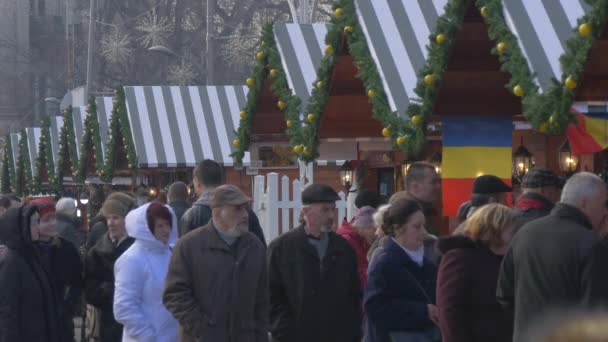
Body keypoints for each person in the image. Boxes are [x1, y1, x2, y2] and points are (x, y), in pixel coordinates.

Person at [497, 172, 608, 342]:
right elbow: (597, 314)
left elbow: (504, 294)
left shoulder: (525, 233)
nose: (605, 212)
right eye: (603, 205)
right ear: (583, 203)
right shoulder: (591, 245)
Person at [163, 185, 268, 341]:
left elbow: (263, 299)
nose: (245, 215)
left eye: (245, 208)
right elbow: (174, 295)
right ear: (217, 213)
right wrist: (203, 330)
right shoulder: (189, 246)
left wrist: (259, 334)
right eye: (237, 209)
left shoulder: (255, 247)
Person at [268, 184, 361, 342]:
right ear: (306, 212)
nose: (331, 215)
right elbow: (271, 296)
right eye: (325, 210)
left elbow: (353, 296)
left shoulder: (343, 248)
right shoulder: (282, 248)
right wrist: (284, 331)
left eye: (333, 209)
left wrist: (350, 331)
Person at [364, 197, 440, 342]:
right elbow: (375, 309)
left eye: (424, 225)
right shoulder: (384, 263)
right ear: (398, 229)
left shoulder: (428, 262)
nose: (424, 232)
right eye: (417, 227)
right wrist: (423, 311)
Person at [437, 204, 515, 342]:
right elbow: (449, 309)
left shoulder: (503, 260)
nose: (514, 236)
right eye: (510, 231)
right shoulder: (460, 257)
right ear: (495, 230)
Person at [114, 202, 178, 342]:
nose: (166, 230)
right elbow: (124, 307)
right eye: (160, 226)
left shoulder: (171, 253)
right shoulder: (132, 259)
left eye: (167, 224)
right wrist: (147, 336)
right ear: (147, 228)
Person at [0, 205, 60, 341]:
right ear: (20, 227)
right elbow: (7, 311)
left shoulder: (33, 256)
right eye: (33, 223)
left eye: (37, 222)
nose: (37, 227)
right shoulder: (11, 263)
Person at [28, 197, 83, 342]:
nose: (53, 224)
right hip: (34, 322)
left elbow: (77, 282)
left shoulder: (66, 248)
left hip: (60, 321)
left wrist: (66, 307)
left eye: (54, 218)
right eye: (46, 220)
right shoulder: (26, 252)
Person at [85, 192, 136, 342]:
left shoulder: (139, 247)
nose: (110, 223)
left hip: (136, 323)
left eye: (116, 217)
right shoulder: (98, 250)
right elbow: (89, 288)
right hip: (109, 323)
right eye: (108, 217)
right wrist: (110, 290)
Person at [179, 159, 266, 246]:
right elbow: (261, 249)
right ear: (222, 180)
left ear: (197, 183)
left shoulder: (190, 216)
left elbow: (184, 252)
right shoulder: (245, 212)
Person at [337, 206, 376, 289]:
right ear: (365, 227)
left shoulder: (362, 241)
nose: (376, 233)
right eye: (374, 229)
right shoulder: (348, 241)